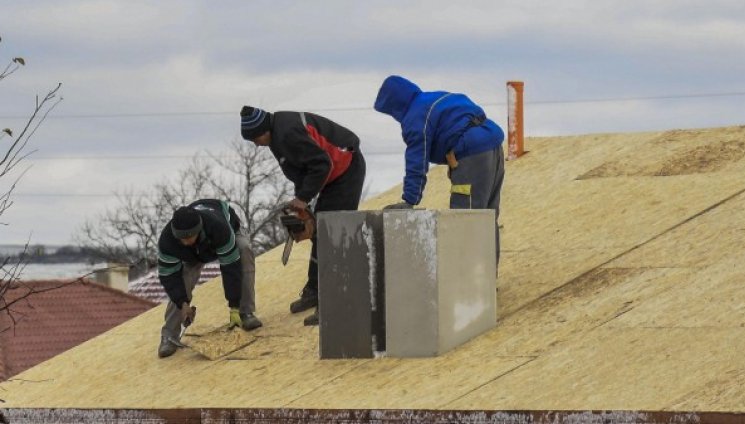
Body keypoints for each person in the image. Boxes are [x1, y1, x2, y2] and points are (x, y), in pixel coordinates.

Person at [240, 105, 365, 326]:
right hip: (331, 175)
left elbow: (321, 163)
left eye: (255, 138)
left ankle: (333, 301)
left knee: (332, 234)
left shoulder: (287, 132)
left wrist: (304, 198)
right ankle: (314, 290)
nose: (256, 144)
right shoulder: (276, 136)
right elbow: (301, 171)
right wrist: (301, 204)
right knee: (320, 232)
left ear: (262, 129)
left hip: (346, 167)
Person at [374, 75, 505, 262]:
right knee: (487, 218)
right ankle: (487, 285)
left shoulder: (415, 116)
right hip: (494, 146)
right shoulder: (432, 99)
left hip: (471, 154)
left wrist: (410, 200)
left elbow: (417, 160)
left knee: (464, 220)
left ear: (395, 105)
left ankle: (467, 285)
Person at [157, 199, 261, 358]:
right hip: (193, 254)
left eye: (190, 237)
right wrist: (182, 303)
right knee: (183, 278)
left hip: (225, 235)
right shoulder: (168, 241)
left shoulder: (218, 227)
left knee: (244, 249)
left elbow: (230, 268)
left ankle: (245, 313)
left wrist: (233, 306)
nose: (186, 241)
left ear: (198, 229)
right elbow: (169, 278)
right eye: (182, 239)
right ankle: (169, 336)